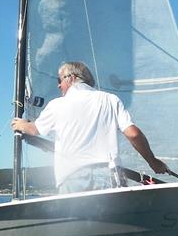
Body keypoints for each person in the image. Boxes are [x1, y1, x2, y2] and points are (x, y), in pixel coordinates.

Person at [11, 61, 168, 194]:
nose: (59, 86)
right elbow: (133, 134)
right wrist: (152, 161)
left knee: (77, 228)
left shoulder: (57, 105)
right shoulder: (111, 100)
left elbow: (35, 129)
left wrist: (21, 124)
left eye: (59, 80)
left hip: (72, 177)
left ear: (71, 78)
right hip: (111, 175)